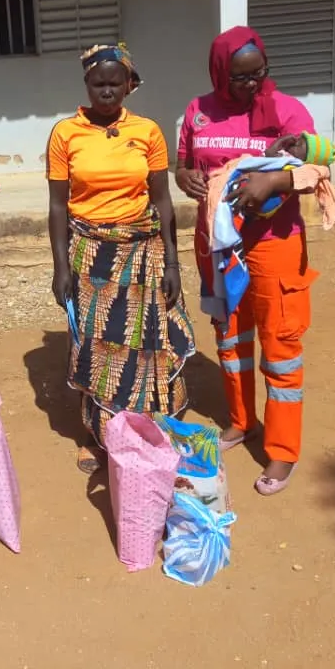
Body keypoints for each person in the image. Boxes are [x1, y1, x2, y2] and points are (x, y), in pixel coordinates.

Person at [176, 26, 320, 496]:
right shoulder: (198, 112)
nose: (252, 84)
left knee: (280, 346)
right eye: (240, 77)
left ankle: (282, 452)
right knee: (231, 336)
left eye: (259, 73)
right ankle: (242, 421)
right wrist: (187, 180)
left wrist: (274, 185)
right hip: (219, 244)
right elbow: (185, 165)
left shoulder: (288, 110)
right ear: (220, 74)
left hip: (274, 244)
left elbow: (320, 165)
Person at [46, 43, 195, 475]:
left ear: (129, 85)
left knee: (151, 342)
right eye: (98, 83)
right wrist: (60, 268)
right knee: (97, 347)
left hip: (143, 250)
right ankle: (97, 436)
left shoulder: (147, 131)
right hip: (90, 254)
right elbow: (57, 207)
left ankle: (150, 429)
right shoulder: (64, 133)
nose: (107, 91)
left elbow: (163, 201)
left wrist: (172, 263)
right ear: (86, 84)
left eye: (115, 83)